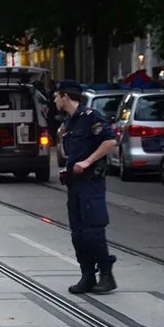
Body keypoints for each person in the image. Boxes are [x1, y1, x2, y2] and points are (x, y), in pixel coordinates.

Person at [56, 79, 118, 294]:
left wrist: (87, 161)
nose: (55, 99)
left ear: (65, 96)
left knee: (93, 231)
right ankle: (87, 275)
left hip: (91, 184)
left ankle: (107, 275)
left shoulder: (90, 117)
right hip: (74, 185)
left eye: (57, 96)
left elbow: (110, 142)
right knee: (78, 233)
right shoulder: (70, 122)